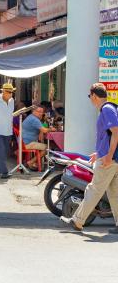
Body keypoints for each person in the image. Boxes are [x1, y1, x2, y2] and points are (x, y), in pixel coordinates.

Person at [61, 83, 118, 234]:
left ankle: (77, 221)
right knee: (114, 192)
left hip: (109, 160)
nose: (90, 100)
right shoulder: (110, 108)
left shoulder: (106, 110)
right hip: (111, 158)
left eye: (89, 96)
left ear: (94, 95)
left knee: (94, 190)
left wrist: (108, 156)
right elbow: (108, 136)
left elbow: (116, 132)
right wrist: (98, 152)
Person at [22, 105, 54, 170]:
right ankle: (31, 162)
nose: (40, 113)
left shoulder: (31, 117)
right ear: (33, 111)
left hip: (23, 141)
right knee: (48, 148)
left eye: (42, 112)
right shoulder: (34, 119)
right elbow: (44, 130)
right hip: (28, 143)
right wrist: (52, 129)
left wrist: (41, 131)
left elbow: (41, 128)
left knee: (44, 144)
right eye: (38, 111)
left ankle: (37, 163)